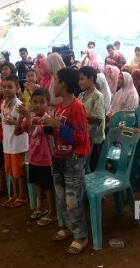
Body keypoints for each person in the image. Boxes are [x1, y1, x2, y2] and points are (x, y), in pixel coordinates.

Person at [40, 68, 90, 255]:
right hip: (58, 157)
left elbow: (80, 136)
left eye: (55, 81)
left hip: (72, 160)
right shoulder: (60, 107)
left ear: (63, 84)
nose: (52, 84)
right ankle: (70, 227)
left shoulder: (77, 107)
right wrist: (42, 123)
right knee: (62, 197)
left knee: (73, 199)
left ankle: (81, 236)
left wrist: (57, 125)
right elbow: (56, 132)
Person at [15, 88, 56, 225]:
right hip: (33, 158)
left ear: (48, 104)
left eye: (41, 102)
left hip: (45, 160)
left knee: (47, 187)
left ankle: (52, 212)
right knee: (38, 184)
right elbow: (17, 132)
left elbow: (33, 132)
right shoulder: (30, 117)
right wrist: (21, 117)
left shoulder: (47, 120)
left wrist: (27, 115)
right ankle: (41, 207)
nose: (38, 105)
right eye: (35, 102)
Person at [0, 75, 29, 208]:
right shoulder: (4, 103)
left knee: (19, 173)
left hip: (17, 145)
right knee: (11, 172)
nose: (6, 89)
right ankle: (14, 195)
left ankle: (22, 196)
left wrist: (16, 122)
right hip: (8, 144)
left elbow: (26, 125)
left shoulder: (19, 105)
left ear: (17, 88)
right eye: (4, 86)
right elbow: (2, 120)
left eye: (10, 87)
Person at [78, 66, 105, 172]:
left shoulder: (98, 96)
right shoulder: (81, 95)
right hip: (84, 137)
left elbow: (99, 118)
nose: (79, 82)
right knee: (84, 166)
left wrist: (80, 114)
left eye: (82, 79)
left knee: (93, 168)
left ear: (91, 79)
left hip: (95, 139)